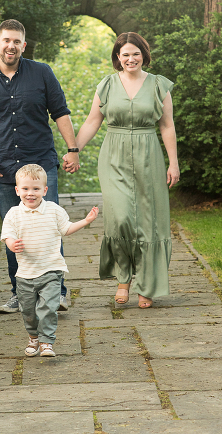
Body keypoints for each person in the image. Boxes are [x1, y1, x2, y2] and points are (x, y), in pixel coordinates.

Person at [0, 19, 81, 314]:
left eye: (16, 41)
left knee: (48, 228)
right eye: (6, 40)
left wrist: (73, 149)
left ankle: (58, 293)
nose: (11, 46)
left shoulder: (42, 73)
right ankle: (20, 294)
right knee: (14, 233)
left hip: (40, 165)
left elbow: (60, 112)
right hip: (2, 169)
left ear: (23, 45)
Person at [65, 32, 179, 308]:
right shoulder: (106, 85)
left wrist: (173, 163)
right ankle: (123, 278)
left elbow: (167, 126)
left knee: (149, 222)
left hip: (148, 155)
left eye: (136, 53)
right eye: (125, 54)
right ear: (118, 57)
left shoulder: (158, 85)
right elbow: (93, 121)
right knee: (120, 218)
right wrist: (74, 149)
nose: (131, 58)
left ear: (144, 54)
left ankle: (147, 286)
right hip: (113, 155)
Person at [1, 164, 98, 357]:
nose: (31, 193)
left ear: (45, 190)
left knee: (48, 308)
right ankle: (33, 338)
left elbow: (66, 229)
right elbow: (8, 235)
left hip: (51, 270)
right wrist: (12, 245)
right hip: (25, 274)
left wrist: (85, 221)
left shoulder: (54, 210)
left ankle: (46, 342)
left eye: (36, 189)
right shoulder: (13, 213)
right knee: (28, 311)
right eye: (26, 189)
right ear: (17, 190)